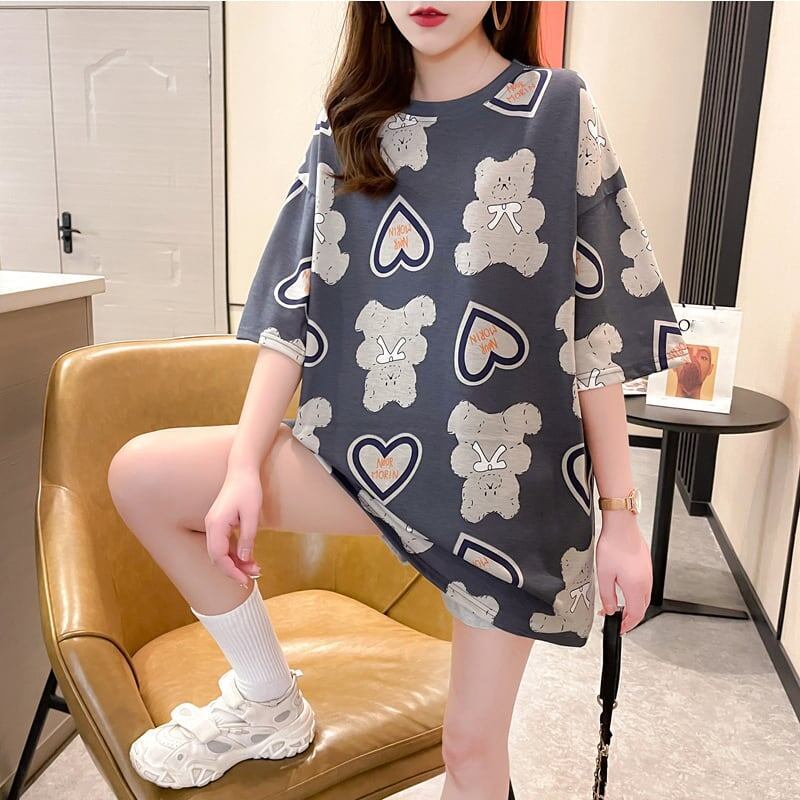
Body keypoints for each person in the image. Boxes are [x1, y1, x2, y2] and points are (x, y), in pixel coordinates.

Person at [107, 1, 691, 795]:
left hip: (503, 490)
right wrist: (243, 464)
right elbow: (291, 315)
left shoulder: (556, 110)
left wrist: (620, 519)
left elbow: (599, 339)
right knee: (142, 475)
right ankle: (267, 699)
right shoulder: (346, 128)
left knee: (470, 750)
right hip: (359, 461)